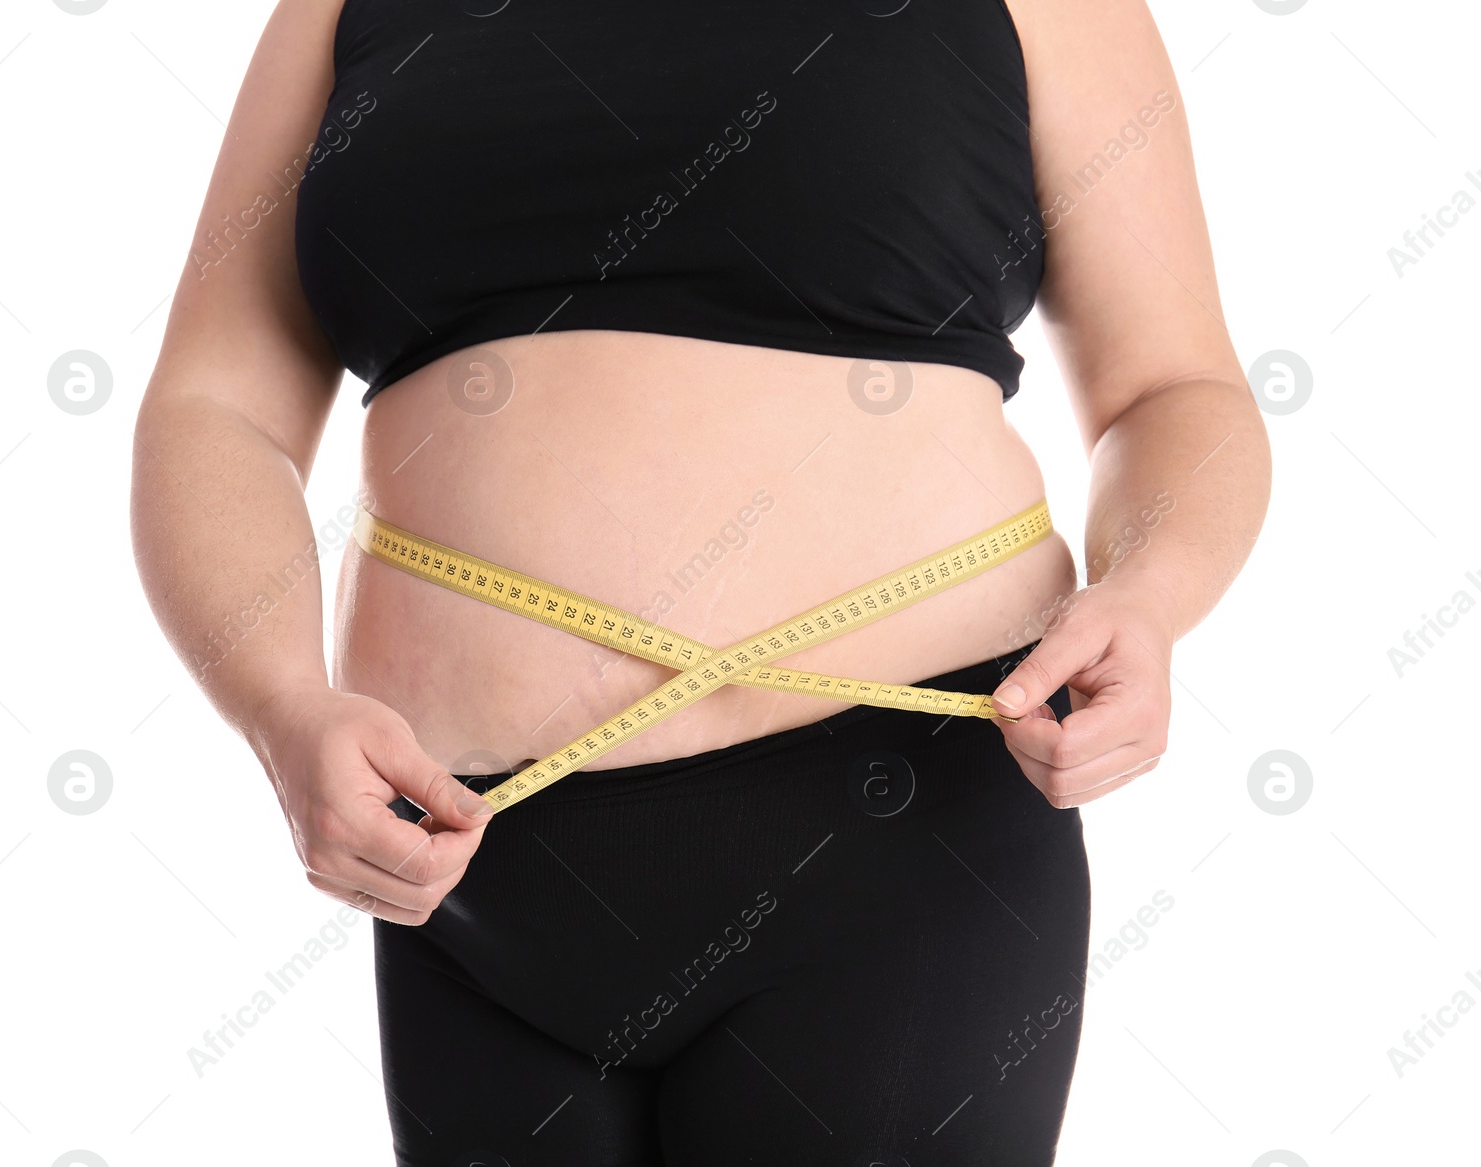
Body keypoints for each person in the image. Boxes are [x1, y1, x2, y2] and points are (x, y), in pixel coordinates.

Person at [130, 0, 1270, 1162]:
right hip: (465, 870)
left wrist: (1148, 594)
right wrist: (279, 707)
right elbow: (213, 407)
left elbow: (1172, 389)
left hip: (896, 837)